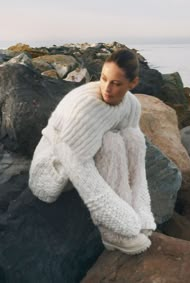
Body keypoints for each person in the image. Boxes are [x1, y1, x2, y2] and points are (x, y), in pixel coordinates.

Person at [29, 48, 156, 255]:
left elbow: (136, 159)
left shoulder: (131, 104)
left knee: (134, 139)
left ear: (133, 84)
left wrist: (141, 211)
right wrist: (120, 219)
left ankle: (132, 213)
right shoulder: (86, 107)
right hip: (54, 168)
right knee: (111, 141)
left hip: (88, 157)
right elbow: (79, 168)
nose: (107, 88)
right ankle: (112, 234)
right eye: (104, 79)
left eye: (116, 83)